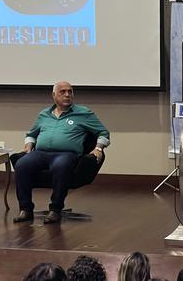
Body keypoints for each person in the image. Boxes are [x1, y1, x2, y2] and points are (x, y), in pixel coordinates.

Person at [13, 81, 110, 224]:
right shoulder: (44, 114)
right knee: (22, 165)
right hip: (41, 153)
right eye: (62, 92)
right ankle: (25, 209)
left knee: (60, 166)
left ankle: (55, 209)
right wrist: (28, 146)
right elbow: (31, 135)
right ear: (54, 95)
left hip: (66, 154)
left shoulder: (83, 113)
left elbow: (103, 133)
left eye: (70, 91)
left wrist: (99, 148)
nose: (67, 95)